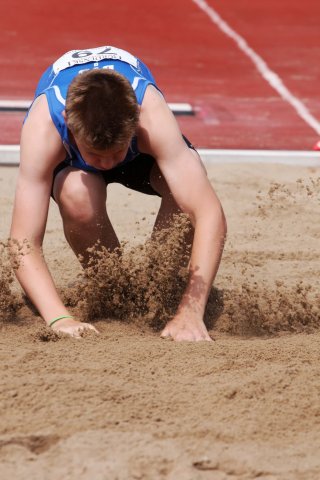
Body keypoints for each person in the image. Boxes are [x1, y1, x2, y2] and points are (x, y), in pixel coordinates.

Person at [10, 45, 227, 341]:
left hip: (140, 158)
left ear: (135, 119)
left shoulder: (150, 113)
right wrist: (59, 318)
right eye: (96, 155)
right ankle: (111, 288)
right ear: (68, 123)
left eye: (116, 152)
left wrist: (192, 310)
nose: (108, 164)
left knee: (186, 188)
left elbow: (208, 212)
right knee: (77, 194)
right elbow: (23, 242)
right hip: (76, 171)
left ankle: (161, 286)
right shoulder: (44, 127)